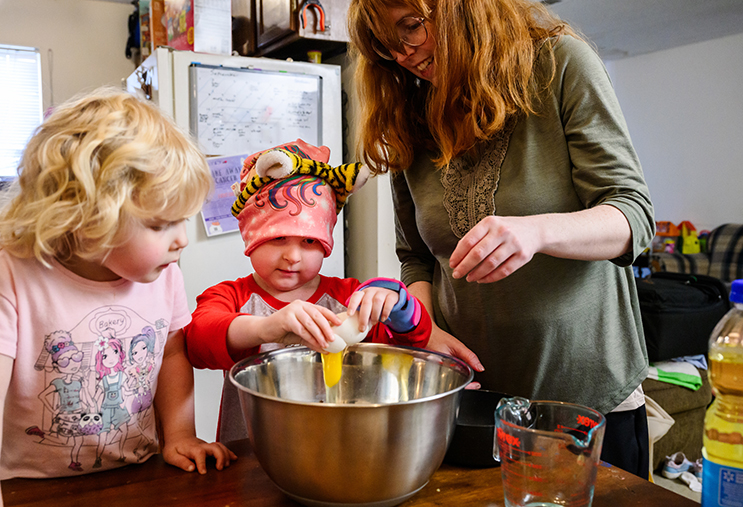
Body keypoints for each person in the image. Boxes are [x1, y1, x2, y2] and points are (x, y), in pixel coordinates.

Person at [347, 0, 656, 478]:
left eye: (411, 27)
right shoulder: (410, 112)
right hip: (471, 403)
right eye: (387, 49)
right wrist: (425, 334)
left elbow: (632, 216)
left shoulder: (560, 65)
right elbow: (416, 257)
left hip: (587, 398)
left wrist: (537, 231)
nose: (404, 54)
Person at [0, 89, 236, 499]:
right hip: (28, 486)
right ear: (86, 218)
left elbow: (172, 352)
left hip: (137, 476)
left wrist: (180, 434)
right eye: (160, 224)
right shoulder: (13, 276)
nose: (182, 240)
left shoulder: (164, 274)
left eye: (183, 221)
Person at [184, 140, 432, 442]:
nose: (293, 256)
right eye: (278, 239)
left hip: (334, 449)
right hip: (251, 452)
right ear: (250, 238)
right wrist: (266, 328)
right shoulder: (230, 298)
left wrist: (398, 304)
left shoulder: (349, 297)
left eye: (310, 242)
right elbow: (197, 342)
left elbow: (412, 342)